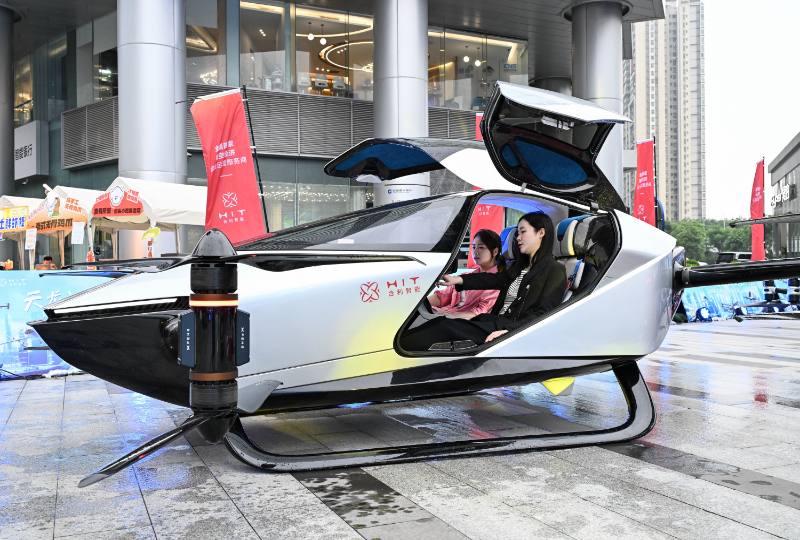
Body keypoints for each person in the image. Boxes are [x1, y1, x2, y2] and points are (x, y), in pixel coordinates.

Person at [400, 212, 567, 351]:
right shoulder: (518, 267)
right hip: (493, 322)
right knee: (441, 322)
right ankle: (396, 345)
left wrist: (510, 331)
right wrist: (456, 279)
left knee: (445, 328)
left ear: (541, 233)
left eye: (523, 232)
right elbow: (491, 279)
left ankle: (397, 350)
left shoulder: (555, 270)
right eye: (517, 233)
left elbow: (544, 313)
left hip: (509, 330)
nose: (518, 237)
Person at [428, 229, 504, 319]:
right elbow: (441, 297)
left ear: (495, 251)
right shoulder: (465, 276)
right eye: (474, 247)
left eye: (481, 247)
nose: (475, 252)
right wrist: (419, 304)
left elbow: (479, 313)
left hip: (457, 321)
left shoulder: (495, 283)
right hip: (440, 314)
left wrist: (446, 316)